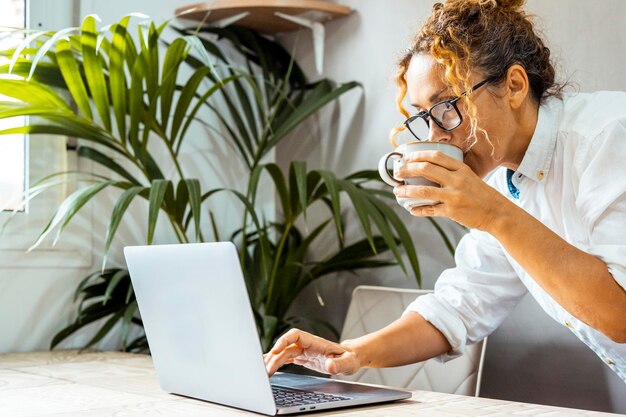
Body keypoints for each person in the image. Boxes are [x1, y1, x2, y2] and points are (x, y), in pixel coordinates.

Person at [264, 0, 626, 383]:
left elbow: (618, 314)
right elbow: (461, 306)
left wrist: (494, 215)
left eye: (448, 106)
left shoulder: (606, 137)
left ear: (515, 86)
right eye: (424, 116)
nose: (437, 135)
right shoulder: (503, 180)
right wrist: (352, 354)